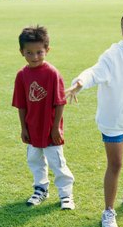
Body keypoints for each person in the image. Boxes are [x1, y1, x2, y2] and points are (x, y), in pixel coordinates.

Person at [65, 9, 123, 227]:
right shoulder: (113, 55)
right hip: (113, 119)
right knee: (115, 164)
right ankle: (108, 211)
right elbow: (94, 72)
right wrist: (79, 83)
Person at [12, 25, 75, 210]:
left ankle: (66, 195)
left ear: (47, 50)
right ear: (21, 52)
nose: (34, 57)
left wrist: (56, 128)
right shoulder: (22, 75)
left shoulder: (52, 74)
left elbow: (60, 102)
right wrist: (23, 128)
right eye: (29, 53)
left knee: (57, 163)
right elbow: (21, 104)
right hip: (32, 129)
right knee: (34, 161)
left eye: (39, 52)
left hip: (50, 130)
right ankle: (40, 189)